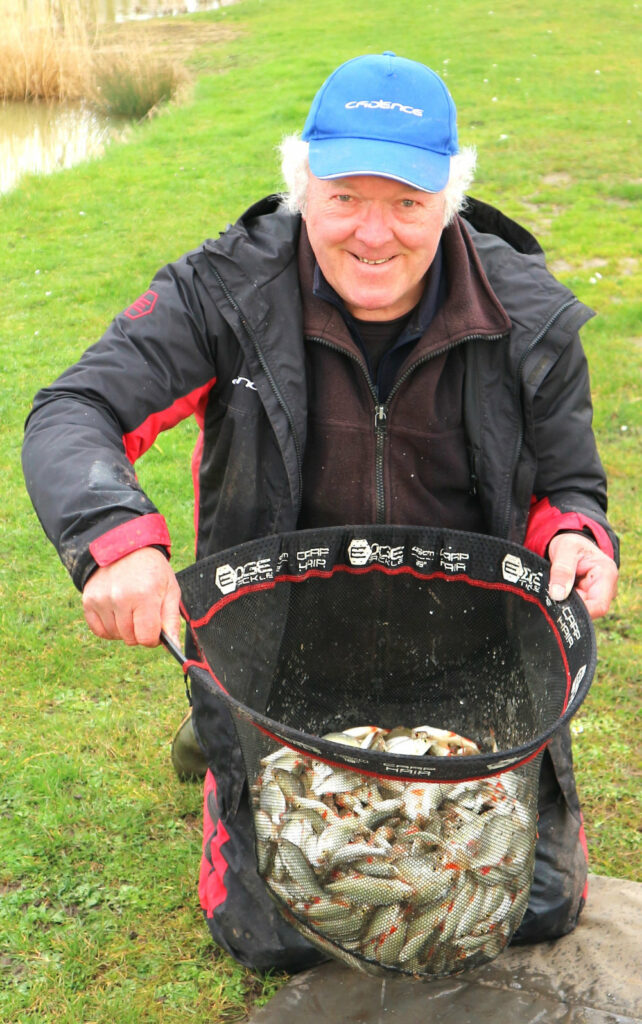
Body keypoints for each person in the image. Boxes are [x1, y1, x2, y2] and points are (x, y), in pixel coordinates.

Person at [23, 52, 619, 972]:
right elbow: (77, 410)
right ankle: (227, 727)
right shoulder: (219, 292)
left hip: (467, 654)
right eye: (343, 196)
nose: (372, 234)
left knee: (531, 911)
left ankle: (239, 737)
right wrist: (116, 543)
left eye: (407, 203)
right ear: (302, 184)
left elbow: (571, 484)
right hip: (281, 643)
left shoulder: (530, 313)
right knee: (273, 941)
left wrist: (577, 533)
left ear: (449, 201)